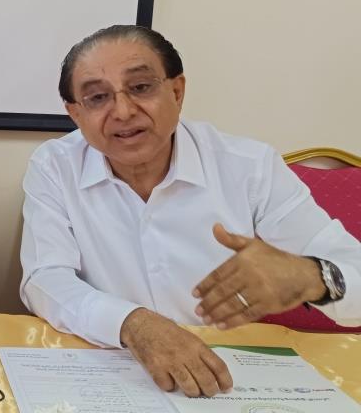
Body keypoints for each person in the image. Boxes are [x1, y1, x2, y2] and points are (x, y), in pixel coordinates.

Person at [20, 24, 361, 397]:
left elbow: (353, 270)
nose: (123, 111)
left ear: (177, 91)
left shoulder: (249, 166)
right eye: (98, 97)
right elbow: (45, 279)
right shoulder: (55, 167)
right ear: (75, 114)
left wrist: (312, 276)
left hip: (227, 377)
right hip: (111, 370)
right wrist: (132, 323)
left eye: (141, 87)